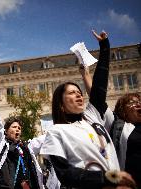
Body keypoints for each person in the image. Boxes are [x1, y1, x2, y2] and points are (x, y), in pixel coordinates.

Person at [38, 30, 136, 188]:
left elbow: (99, 87)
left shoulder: (92, 117)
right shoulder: (56, 132)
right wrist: (108, 178)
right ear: (61, 105)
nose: (79, 95)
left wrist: (104, 47)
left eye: (79, 92)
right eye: (71, 93)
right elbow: (66, 174)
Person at [0, 82, 59, 189]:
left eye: (19, 128)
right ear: (6, 130)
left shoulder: (25, 147)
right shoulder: (0, 144)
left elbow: (43, 139)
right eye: (14, 127)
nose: (17, 130)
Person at [110, 93, 141, 187]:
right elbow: (98, 100)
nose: (138, 104)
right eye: (132, 102)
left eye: (139, 102)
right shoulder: (118, 126)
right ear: (123, 110)